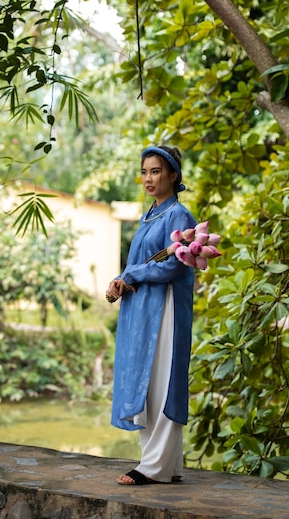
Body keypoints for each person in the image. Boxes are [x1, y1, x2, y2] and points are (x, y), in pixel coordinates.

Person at [106, 145, 197, 485]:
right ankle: (166, 465)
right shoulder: (149, 215)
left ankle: (153, 468)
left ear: (173, 175)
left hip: (166, 307)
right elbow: (143, 262)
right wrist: (121, 279)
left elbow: (172, 265)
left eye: (156, 171)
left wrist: (131, 276)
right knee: (146, 384)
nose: (148, 178)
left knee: (162, 382)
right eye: (144, 171)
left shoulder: (178, 216)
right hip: (141, 310)